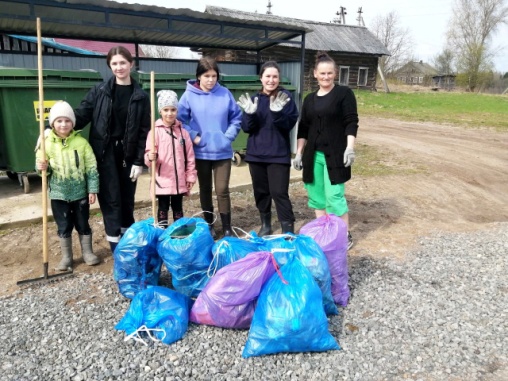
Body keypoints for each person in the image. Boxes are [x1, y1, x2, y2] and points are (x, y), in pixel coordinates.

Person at [74, 46, 151, 252]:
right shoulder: (99, 92)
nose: (119, 67)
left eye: (123, 63)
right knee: (110, 199)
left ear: (131, 64)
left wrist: (138, 161)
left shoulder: (141, 96)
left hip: (128, 154)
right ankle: (116, 246)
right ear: (110, 65)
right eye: (114, 63)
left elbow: (145, 131)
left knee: (127, 199)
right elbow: (81, 116)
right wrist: (51, 128)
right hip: (104, 154)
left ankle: (128, 243)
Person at [293, 51, 358, 250]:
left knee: (335, 197)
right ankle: (324, 232)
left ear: (335, 73)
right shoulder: (310, 99)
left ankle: (344, 235)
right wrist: (299, 153)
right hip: (313, 156)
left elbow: (351, 121)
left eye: (329, 73)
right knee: (317, 197)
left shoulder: (343, 94)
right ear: (315, 74)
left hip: (335, 154)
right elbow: (303, 127)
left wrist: (350, 147)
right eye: (322, 73)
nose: (326, 77)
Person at [177, 56, 242, 238]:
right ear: (199, 76)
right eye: (206, 76)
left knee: (222, 190)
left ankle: (227, 227)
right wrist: (194, 136)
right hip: (201, 152)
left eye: (214, 76)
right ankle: (209, 225)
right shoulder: (189, 95)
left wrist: (227, 137)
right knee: (205, 189)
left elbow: (236, 118)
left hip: (222, 152)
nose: (211, 80)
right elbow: (180, 120)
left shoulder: (225, 94)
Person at [35, 101, 100, 270]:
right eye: (59, 121)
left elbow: (91, 167)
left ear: (72, 123)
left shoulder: (82, 143)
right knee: (63, 225)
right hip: (58, 194)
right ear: (53, 123)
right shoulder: (47, 144)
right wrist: (42, 167)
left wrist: (92, 189)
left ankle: (87, 252)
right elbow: (42, 169)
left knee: (82, 223)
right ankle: (66, 257)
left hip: (80, 193)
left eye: (67, 120)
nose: (63, 124)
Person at [237, 61, 299, 236]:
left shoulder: (285, 98)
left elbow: (288, 125)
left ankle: (287, 228)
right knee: (261, 192)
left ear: (279, 78)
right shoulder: (255, 99)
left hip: (278, 154)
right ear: (261, 78)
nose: (271, 80)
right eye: (268, 76)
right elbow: (247, 128)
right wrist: (249, 114)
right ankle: (266, 224)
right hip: (256, 154)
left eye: (275, 77)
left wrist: (278, 113)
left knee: (279, 193)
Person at [144, 90, 197, 228]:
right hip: (162, 181)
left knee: (178, 208)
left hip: (179, 180)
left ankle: (178, 234)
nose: (169, 113)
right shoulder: (155, 132)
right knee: (162, 208)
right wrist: (150, 157)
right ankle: (162, 233)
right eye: (166, 109)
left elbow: (190, 157)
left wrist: (190, 176)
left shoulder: (183, 133)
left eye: (173, 109)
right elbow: (149, 158)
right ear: (160, 111)